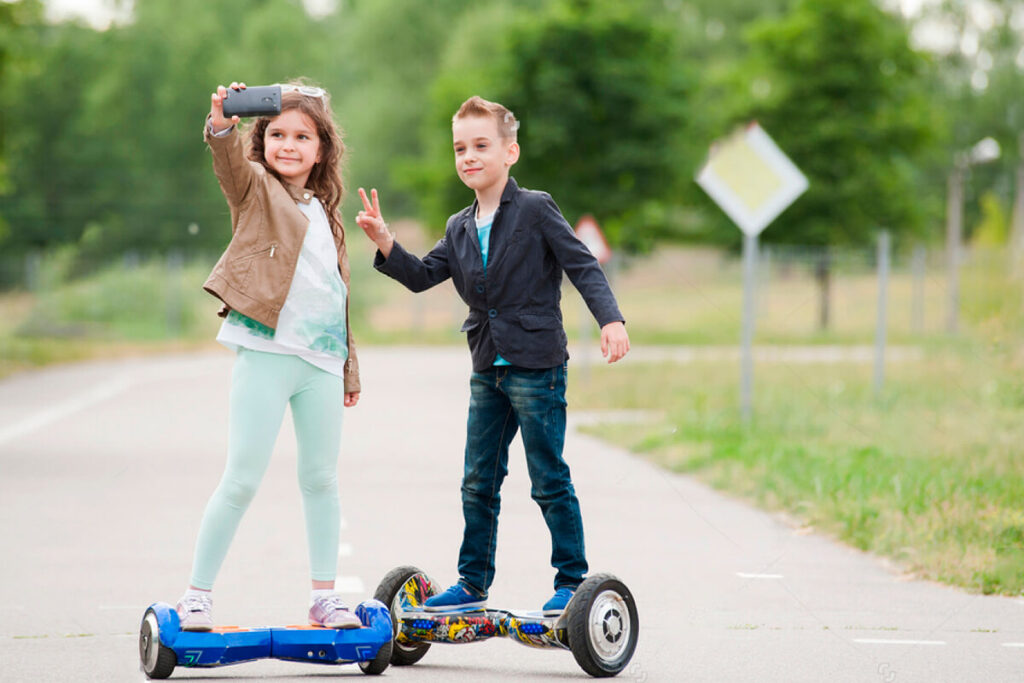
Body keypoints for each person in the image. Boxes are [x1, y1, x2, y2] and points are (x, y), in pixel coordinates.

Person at [355, 95, 630, 615]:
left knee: (548, 476)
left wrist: (610, 319)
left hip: (537, 365)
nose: (469, 156)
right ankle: (472, 583)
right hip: (488, 368)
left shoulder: (535, 209)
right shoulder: (459, 225)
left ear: (511, 152)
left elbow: (583, 265)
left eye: (481, 145)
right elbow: (420, 277)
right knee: (478, 480)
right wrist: (388, 242)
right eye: (460, 148)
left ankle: (571, 580)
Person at [175, 81, 362, 631]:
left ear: (322, 149)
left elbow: (337, 293)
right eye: (277, 133)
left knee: (322, 480)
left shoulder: (329, 214)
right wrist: (221, 123)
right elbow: (228, 161)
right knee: (241, 478)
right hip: (266, 350)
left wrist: (349, 367)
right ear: (262, 142)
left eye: (302, 136)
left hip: (322, 363)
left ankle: (325, 598)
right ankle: (196, 596)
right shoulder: (256, 189)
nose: (288, 144)